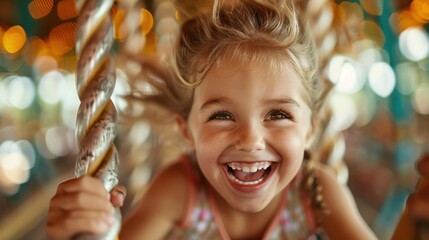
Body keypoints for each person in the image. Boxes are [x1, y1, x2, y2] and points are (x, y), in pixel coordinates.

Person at [45, 0, 424, 239]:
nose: (250, 139)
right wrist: (84, 227)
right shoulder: (181, 188)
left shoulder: (315, 192)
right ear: (187, 131)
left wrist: (414, 219)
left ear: (310, 130)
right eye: (222, 115)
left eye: (278, 114)